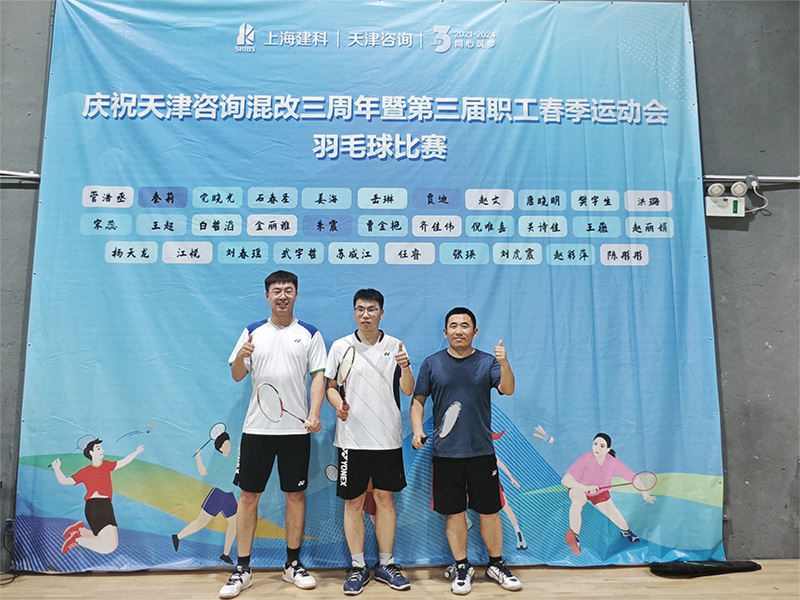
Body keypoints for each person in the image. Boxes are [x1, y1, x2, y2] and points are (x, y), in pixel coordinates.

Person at [221, 270, 327, 599]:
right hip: (257, 430)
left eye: (288, 290)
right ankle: (242, 569)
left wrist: (314, 413)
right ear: (267, 296)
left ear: (296, 295)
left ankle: (292, 565)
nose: (283, 296)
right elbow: (237, 375)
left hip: (296, 431)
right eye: (277, 291)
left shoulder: (310, 334)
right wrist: (242, 356)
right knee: (248, 497)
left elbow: (319, 377)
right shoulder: (252, 332)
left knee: (295, 496)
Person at [411, 307, 522, 595]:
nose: (459, 330)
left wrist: (505, 363)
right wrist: (417, 430)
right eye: (453, 325)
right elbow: (418, 400)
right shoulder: (432, 363)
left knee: (490, 512)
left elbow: (508, 389)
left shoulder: (488, 362)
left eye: (464, 325)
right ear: (445, 332)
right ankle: (462, 566)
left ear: (475, 331)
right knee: (455, 513)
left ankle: (496, 564)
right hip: (446, 454)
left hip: (481, 452)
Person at [325, 288, 415, 596]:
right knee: (353, 502)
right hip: (351, 439)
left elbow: (407, 390)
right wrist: (338, 405)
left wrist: (406, 366)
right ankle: (357, 566)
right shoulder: (341, 347)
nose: (366, 315)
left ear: (381, 313)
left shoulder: (395, 346)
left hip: (388, 439)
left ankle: (386, 564)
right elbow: (331, 386)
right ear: (354, 313)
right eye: (360, 309)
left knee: (385, 500)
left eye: (372, 309)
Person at [561, 432, 655, 556]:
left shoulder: (613, 463)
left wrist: (645, 493)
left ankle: (626, 531)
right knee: (577, 503)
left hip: (600, 492)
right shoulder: (585, 458)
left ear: (608, 449)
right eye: (595, 444)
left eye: (602, 446)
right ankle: (575, 538)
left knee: (615, 515)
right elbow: (565, 480)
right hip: (580, 488)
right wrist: (584, 487)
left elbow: (633, 478)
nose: (597, 448)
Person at [52, 440, 144, 555]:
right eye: (98, 448)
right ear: (91, 452)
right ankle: (77, 540)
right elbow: (65, 481)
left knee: (109, 542)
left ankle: (80, 530)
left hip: (106, 506)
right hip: (95, 507)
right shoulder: (86, 471)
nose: (102, 450)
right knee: (109, 547)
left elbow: (123, 462)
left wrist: (136, 452)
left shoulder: (106, 465)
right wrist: (57, 468)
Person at [172, 431, 238, 564]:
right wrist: (198, 457)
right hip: (218, 494)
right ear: (220, 448)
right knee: (201, 522)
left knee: (234, 523)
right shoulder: (218, 460)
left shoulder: (234, 455)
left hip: (229, 494)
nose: (228, 445)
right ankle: (178, 537)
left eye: (229, 442)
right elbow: (203, 471)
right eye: (225, 444)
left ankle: (225, 554)